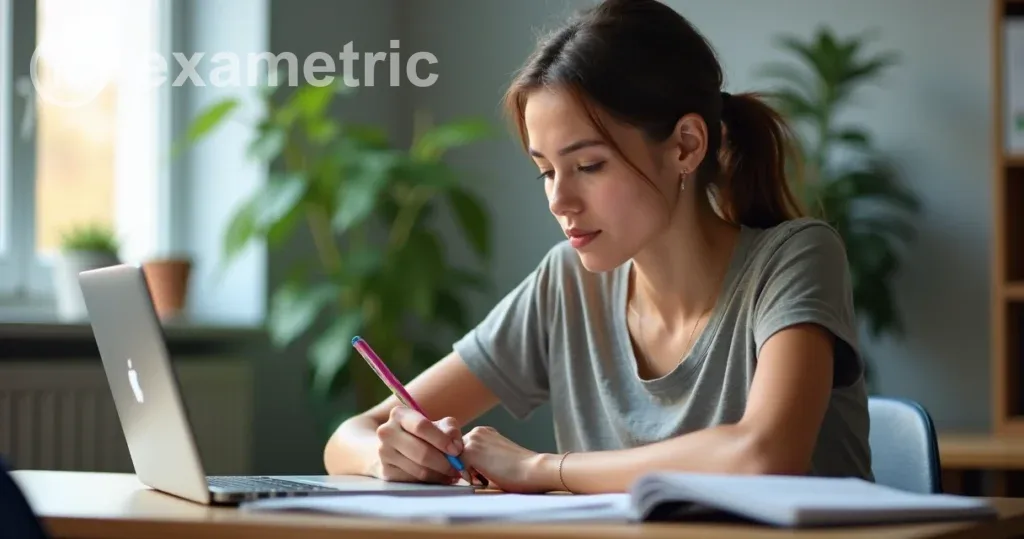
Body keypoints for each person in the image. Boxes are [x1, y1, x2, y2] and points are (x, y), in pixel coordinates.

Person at [323, 0, 872, 494]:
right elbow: (348, 437)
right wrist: (388, 456)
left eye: (588, 165)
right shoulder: (566, 282)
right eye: (545, 171)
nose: (559, 201)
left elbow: (764, 454)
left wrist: (542, 470)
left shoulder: (795, 258)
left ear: (686, 145)